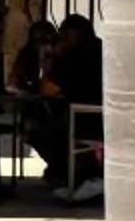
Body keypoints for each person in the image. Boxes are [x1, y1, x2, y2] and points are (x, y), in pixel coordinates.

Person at [24, 12, 103, 190]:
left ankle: (63, 169)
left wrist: (49, 61)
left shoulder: (76, 55)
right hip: (98, 117)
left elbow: (49, 89)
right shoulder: (99, 48)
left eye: (66, 36)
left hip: (83, 119)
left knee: (35, 120)